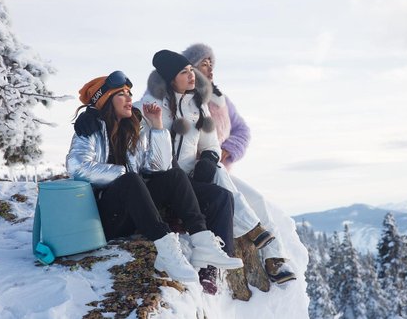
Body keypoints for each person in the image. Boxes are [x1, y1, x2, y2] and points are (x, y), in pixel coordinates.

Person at [66, 70, 243, 287]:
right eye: (121, 94)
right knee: (131, 179)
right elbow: (77, 167)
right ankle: (167, 250)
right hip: (107, 217)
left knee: (174, 176)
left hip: (134, 210)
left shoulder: (133, 128)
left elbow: (158, 167)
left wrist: (157, 127)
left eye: (130, 93)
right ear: (106, 100)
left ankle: (203, 241)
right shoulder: (91, 127)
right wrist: (122, 173)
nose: (130, 98)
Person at [135, 50, 280, 267]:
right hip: (162, 182)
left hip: (191, 178)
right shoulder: (148, 108)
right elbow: (137, 150)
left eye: (191, 70)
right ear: (170, 78)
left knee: (222, 193)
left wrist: (209, 160)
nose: (192, 75)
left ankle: (218, 264)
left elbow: (210, 143)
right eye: (184, 72)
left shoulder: (198, 105)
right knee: (221, 187)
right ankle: (252, 228)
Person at [182, 43, 296, 284]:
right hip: (194, 172)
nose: (210, 68)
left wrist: (228, 149)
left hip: (220, 168)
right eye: (204, 63)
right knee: (236, 198)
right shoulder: (182, 98)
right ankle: (253, 230)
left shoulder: (220, 100)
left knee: (259, 201)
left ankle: (275, 260)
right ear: (190, 68)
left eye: (211, 63)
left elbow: (242, 131)